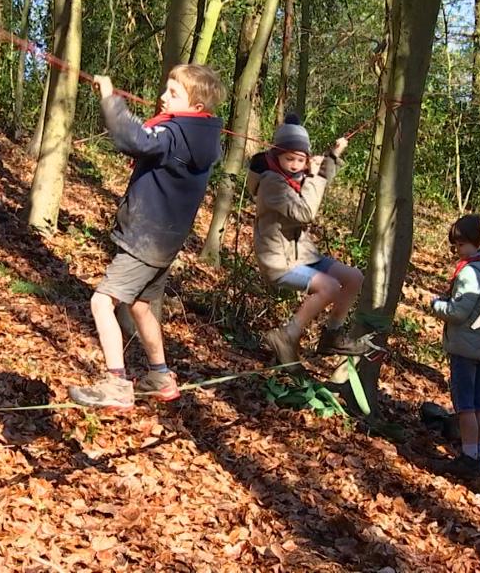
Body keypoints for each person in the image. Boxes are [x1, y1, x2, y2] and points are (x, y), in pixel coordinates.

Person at [69, 65, 225, 409]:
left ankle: (116, 384)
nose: (162, 97)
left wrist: (111, 98)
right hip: (166, 241)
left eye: (173, 93)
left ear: (196, 107)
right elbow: (149, 139)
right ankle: (160, 375)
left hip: (146, 239)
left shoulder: (174, 135)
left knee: (101, 302)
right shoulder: (198, 137)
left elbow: (135, 140)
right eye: (166, 89)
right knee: (140, 306)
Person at [246, 114, 366, 368]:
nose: (294, 164)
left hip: (304, 254)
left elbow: (316, 181)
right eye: (289, 158)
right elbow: (305, 211)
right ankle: (286, 336)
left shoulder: (294, 176)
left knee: (354, 277)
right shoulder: (272, 183)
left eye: (300, 160)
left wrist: (332, 156)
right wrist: (315, 175)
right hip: (279, 261)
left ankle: (332, 335)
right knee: (330, 287)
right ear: (276, 155)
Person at [429, 214, 480, 476]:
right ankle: (478, 454)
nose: (457, 250)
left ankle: (469, 456)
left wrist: (437, 305)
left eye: (460, 244)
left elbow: (459, 311)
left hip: (465, 347)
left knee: (465, 404)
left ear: (474, 242)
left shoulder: (470, 272)